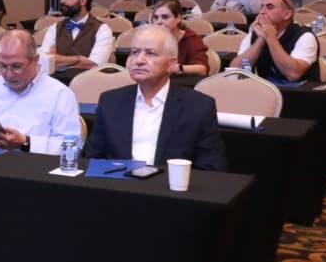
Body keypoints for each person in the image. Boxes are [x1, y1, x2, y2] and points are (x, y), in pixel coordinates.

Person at [86, 25, 227, 170]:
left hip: (171, 184)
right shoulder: (110, 101)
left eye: (150, 53)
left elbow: (211, 167)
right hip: (118, 182)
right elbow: (92, 159)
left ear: (171, 63)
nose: (139, 60)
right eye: (134, 52)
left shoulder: (198, 107)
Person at [0, 29, 80, 151]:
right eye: (3, 66)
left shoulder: (60, 94)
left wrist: (26, 142)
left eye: (17, 66)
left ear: (35, 60)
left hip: (34, 162)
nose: (9, 74)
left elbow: (71, 146)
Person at [229, 0, 318, 81]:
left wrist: (271, 38)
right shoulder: (256, 34)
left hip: (298, 89)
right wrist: (261, 39)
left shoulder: (305, 36)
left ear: (287, 14)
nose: (262, 12)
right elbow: (235, 71)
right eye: (262, 7)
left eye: (270, 7)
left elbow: (293, 74)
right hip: (264, 88)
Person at [39, 0, 113, 71]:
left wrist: (58, 60)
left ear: (82, 1)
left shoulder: (102, 29)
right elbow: (45, 60)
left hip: (89, 80)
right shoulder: (55, 27)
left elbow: (94, 64)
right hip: (56, 79)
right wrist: (78, 59)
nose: (62, 1)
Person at [148, 0, 210, 76]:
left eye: (165, 17)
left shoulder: (191, 39)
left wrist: (177, 68)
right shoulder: (150, 39)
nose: (159, 22)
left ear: (178, 18)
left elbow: (202, 69)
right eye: (156, 17)